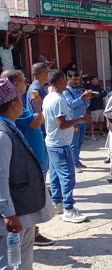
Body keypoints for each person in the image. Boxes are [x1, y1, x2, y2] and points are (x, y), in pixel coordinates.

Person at [0, 78, 54, 269]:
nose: (23, 101)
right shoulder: (2, 134)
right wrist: (8, 214)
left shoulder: (10, 126)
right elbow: (1, 177)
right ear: (13, 103)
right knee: (10, 262)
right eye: (20, 98)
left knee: (23, 260)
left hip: (22, 209)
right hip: (14, 212)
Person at [43, 70, 91, 223]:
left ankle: (57, 203)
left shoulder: (48, 97)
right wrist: (79, 119)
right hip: (60, 144)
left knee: (56, 175)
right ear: (59, 81)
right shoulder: (57, 100)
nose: (67, 81)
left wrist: (72, 127)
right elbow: (61, 124)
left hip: (53, 142)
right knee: (68, 177)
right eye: (65, 79)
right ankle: (68, 209)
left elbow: (55, 122)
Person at [63, 70, 93, 173]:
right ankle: (74, 164)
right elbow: (71, 104)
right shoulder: (66, 91)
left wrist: (87, 99)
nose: (77, 81)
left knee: (80, 142)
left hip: (82, 120)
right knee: (73, 144)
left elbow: (86, 105)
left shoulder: (80, 89)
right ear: (68, 78)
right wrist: (82, 97)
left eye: (78, 79)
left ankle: (77, 160)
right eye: (74, 79)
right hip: (73, 121)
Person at [88, 75, 107, 139]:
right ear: (92, 81)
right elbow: (91, 95)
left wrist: (98, 94)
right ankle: (92, 134)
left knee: (101, 121)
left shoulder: (99, 87)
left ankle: (101, 133)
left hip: (100, 106)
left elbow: (104, 93)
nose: (97, 81)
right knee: (93, 121)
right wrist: (96, 94)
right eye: (95, 79)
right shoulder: (90, 88)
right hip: (94, 107)